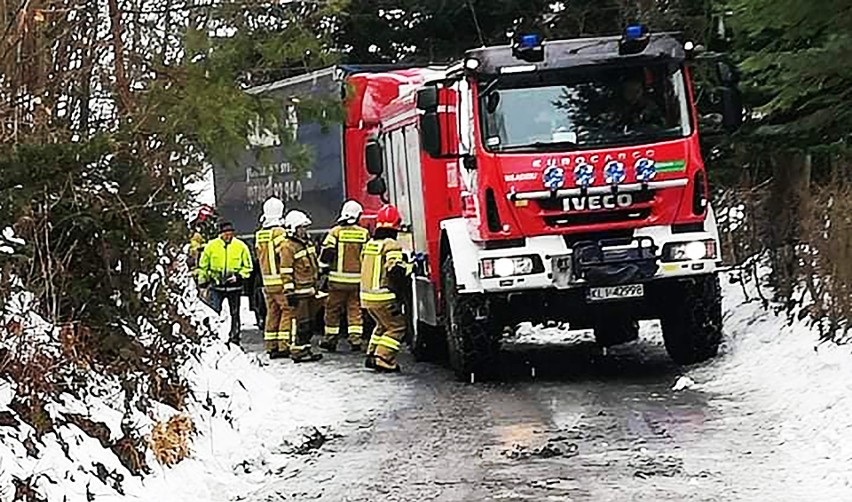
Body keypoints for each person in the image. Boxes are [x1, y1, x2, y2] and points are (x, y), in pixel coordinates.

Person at [360, 204, 412, 373]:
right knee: (397, 327)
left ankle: (372, 355)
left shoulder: (370, 243)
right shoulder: (391, 245)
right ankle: (383, 357)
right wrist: (410, 268)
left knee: (382, 326)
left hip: (367, 297)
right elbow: (394, 269)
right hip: (383, 297)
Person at [318, 200, 370, 353]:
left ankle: (330, 339)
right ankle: (355, 339)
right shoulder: (363, 233)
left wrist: (322, 268)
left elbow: (327, 252)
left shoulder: (336, 232)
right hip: (357, 281)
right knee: (355, 309)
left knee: (332, 309)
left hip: (337, 281)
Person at [197, 221, 253, 345]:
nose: (228, 236)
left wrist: (238, 276)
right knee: (214, 312)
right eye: (226, 234)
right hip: (216, 286)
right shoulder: (211, 246)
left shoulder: (241, 246)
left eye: (230, 233)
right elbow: (203, 266)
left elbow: (248, 267)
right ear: (220, 234)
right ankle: (213, 336)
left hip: (235, 287)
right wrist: (203, 283)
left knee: (235, 313)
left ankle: (235, 337)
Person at [281, 210, 323, 363]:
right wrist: (290, 292)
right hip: (299, 293)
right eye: (301, 228)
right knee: (300, 323)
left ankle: (305, 349)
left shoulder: (306, 244)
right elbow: (286, 271)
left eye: (305, 227)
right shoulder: (288, 247)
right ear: (293, 228)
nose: (304, 231)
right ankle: (297, 350)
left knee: (309, 323)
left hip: (310, 291)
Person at [254, 197, 290, 358]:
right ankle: (284, 345)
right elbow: (284, 254)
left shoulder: (260, 234)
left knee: (272, 313)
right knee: (287, 311)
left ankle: (271, 345)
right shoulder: (280, 233)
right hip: (280, 281)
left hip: (267, 281)